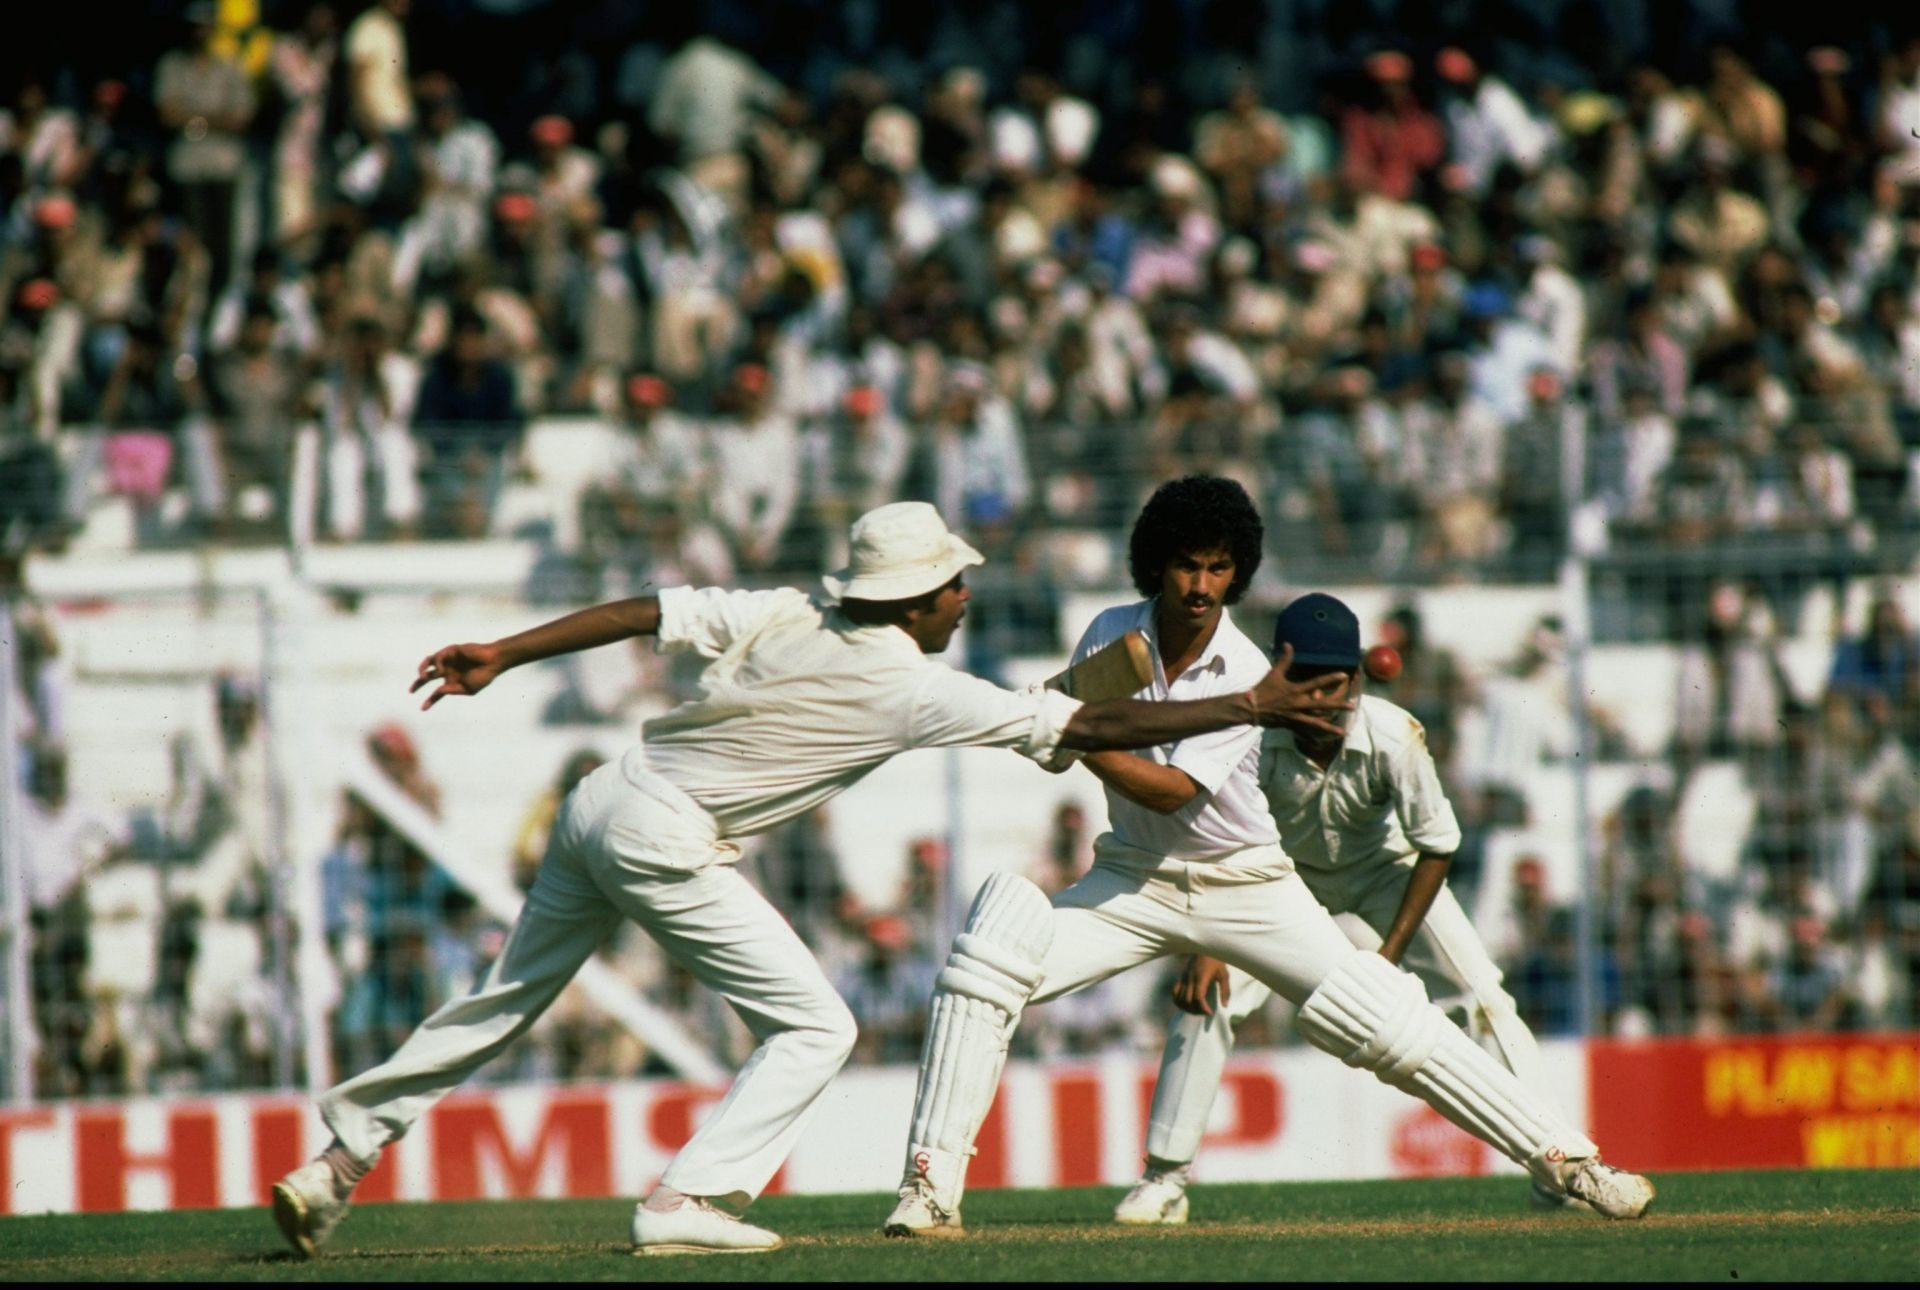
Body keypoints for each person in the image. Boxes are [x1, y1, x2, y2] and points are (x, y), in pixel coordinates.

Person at [271, 500, 1350, 1259]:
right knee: (819, 1028)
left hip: (603, 797)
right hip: (666, 832)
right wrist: (1250, 705)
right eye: (955, 584)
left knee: (506, 997)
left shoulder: (790, 609)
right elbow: (1099, 723)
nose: (967, 595)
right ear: (921, 599)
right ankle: (688, 1196)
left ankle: (334, 1163)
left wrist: (504, 652)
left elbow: (645, 609)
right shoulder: (918, 690)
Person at [881, 482, 1654, 1240]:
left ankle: (1571, 1164)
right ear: (1156, 564)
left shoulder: (1250, 674)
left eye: (1219, 569)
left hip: (1248, 883)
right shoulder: (1109, 631)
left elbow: (1171, 791)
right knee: (986, 964)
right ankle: (929, 1190)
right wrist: (1051, 722)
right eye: (1187, 565)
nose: (1201, 587)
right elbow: (1057, 751)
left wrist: (1071, 731)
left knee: (1388, 1020)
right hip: (1132, 880)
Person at [1114, 591, 1591, 1225]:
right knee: (1209, 996)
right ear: (1275, 677)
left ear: (1361, 679)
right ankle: (1164, 1180)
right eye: (1303, 684)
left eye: (1335, 686)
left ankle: (1557, 1163)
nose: (1320, 703)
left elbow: (1436, 845)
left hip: (1382, 876)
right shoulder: (1245, 737)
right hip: (1276, 881)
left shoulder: (1393, 734)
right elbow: (1215, 840)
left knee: (1483, 999)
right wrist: (1208, 948)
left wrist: (1388, 956)